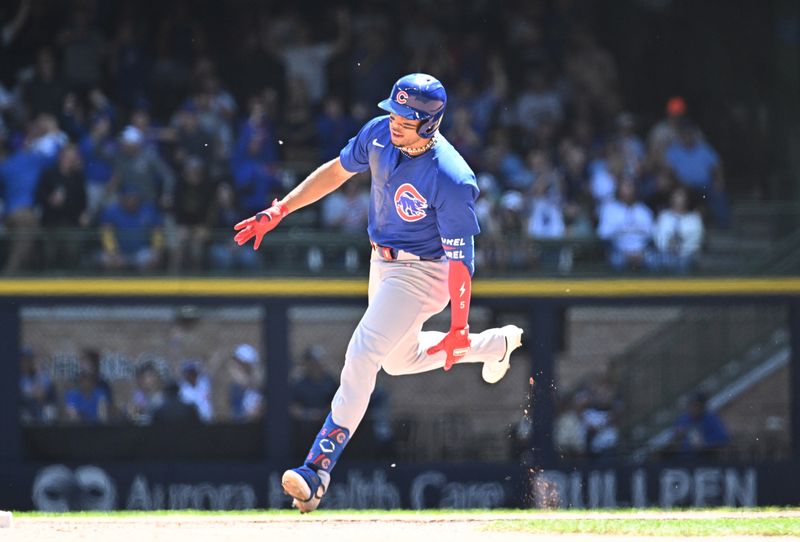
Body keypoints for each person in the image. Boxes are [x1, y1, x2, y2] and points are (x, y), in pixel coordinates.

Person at [233, 73, 524, 512]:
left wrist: (459, 324)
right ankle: (495, 345)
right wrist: (281, 208)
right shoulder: (378, 133)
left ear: (429, 124)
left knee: (363, 351)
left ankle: (317, 469)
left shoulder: (452, 177)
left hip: (426, 271)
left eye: (406, 118)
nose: (394, 121)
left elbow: (462, 265)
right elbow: (335, 171)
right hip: (382, 261)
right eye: (395, 111)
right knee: (397, 360)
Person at [670, 392, 730, 459]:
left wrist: (705, 444)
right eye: (691, 405)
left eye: (696, 405)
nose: (693, 408)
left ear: (702, 407)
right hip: (685, 460)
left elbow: (723, 438)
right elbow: (674, 439)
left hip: (706, 459)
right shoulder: (683, 419)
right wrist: (678, 435)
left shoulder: (710, 418)